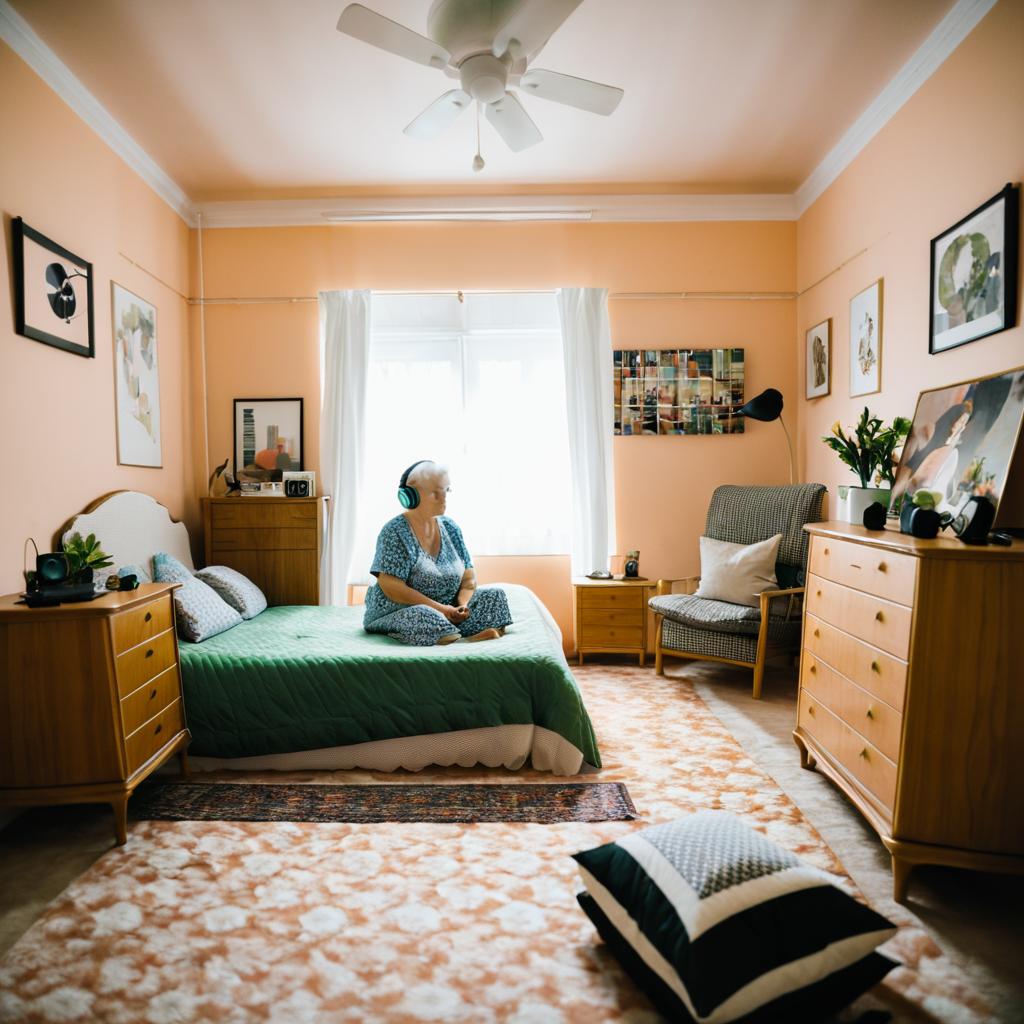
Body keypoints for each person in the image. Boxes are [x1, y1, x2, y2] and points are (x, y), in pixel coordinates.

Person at [363, 461, 513, 646]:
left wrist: (461, 605)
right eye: (435, 493)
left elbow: (468, 578)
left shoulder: (451, 527)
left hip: (449, 606)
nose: (443, 498)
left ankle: (454, 635)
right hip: (402, 609)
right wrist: (441, 609)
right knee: (423, 616)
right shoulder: (394, 531)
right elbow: (392, 587)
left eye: (446, 490)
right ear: (411, 495)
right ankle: (464, 641)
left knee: (495, 596)